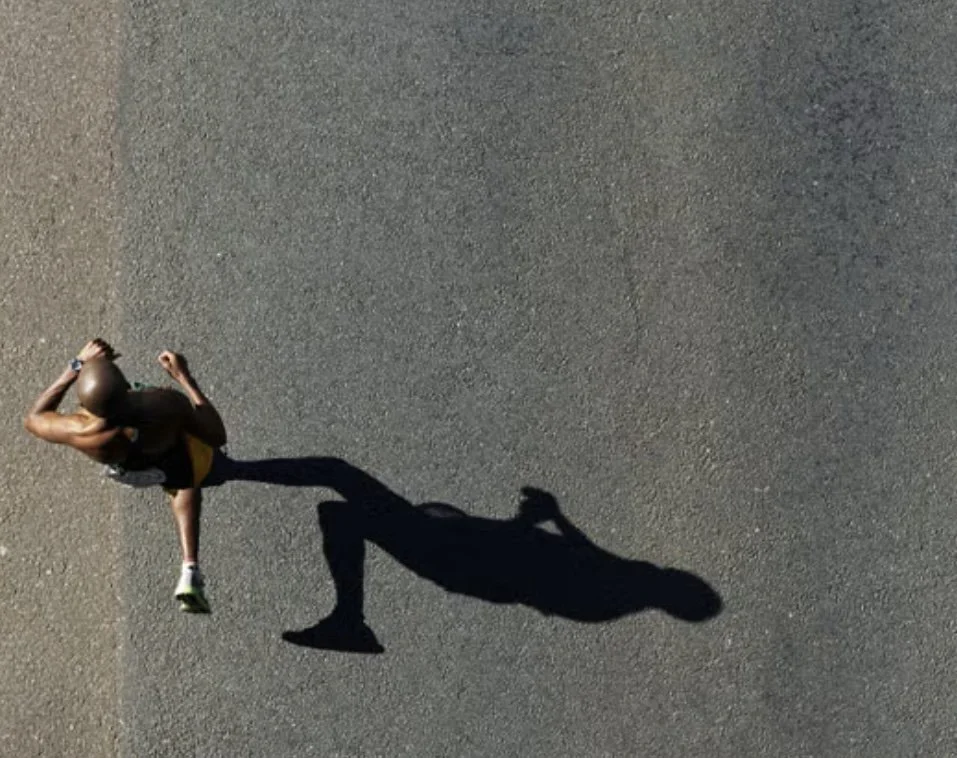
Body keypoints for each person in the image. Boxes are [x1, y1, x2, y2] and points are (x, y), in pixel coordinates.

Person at [23, 338, 227, 613]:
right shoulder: (165, 404)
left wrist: (76, 366)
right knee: (185, 484)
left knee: (172, 479)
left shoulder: (79, 431)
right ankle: (190, 569)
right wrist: (184, 378)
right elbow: (216, 434)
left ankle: (191, 569)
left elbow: (33, 418)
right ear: (126, 389)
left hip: (130, 465)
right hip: (167, 453)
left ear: (85, 404)